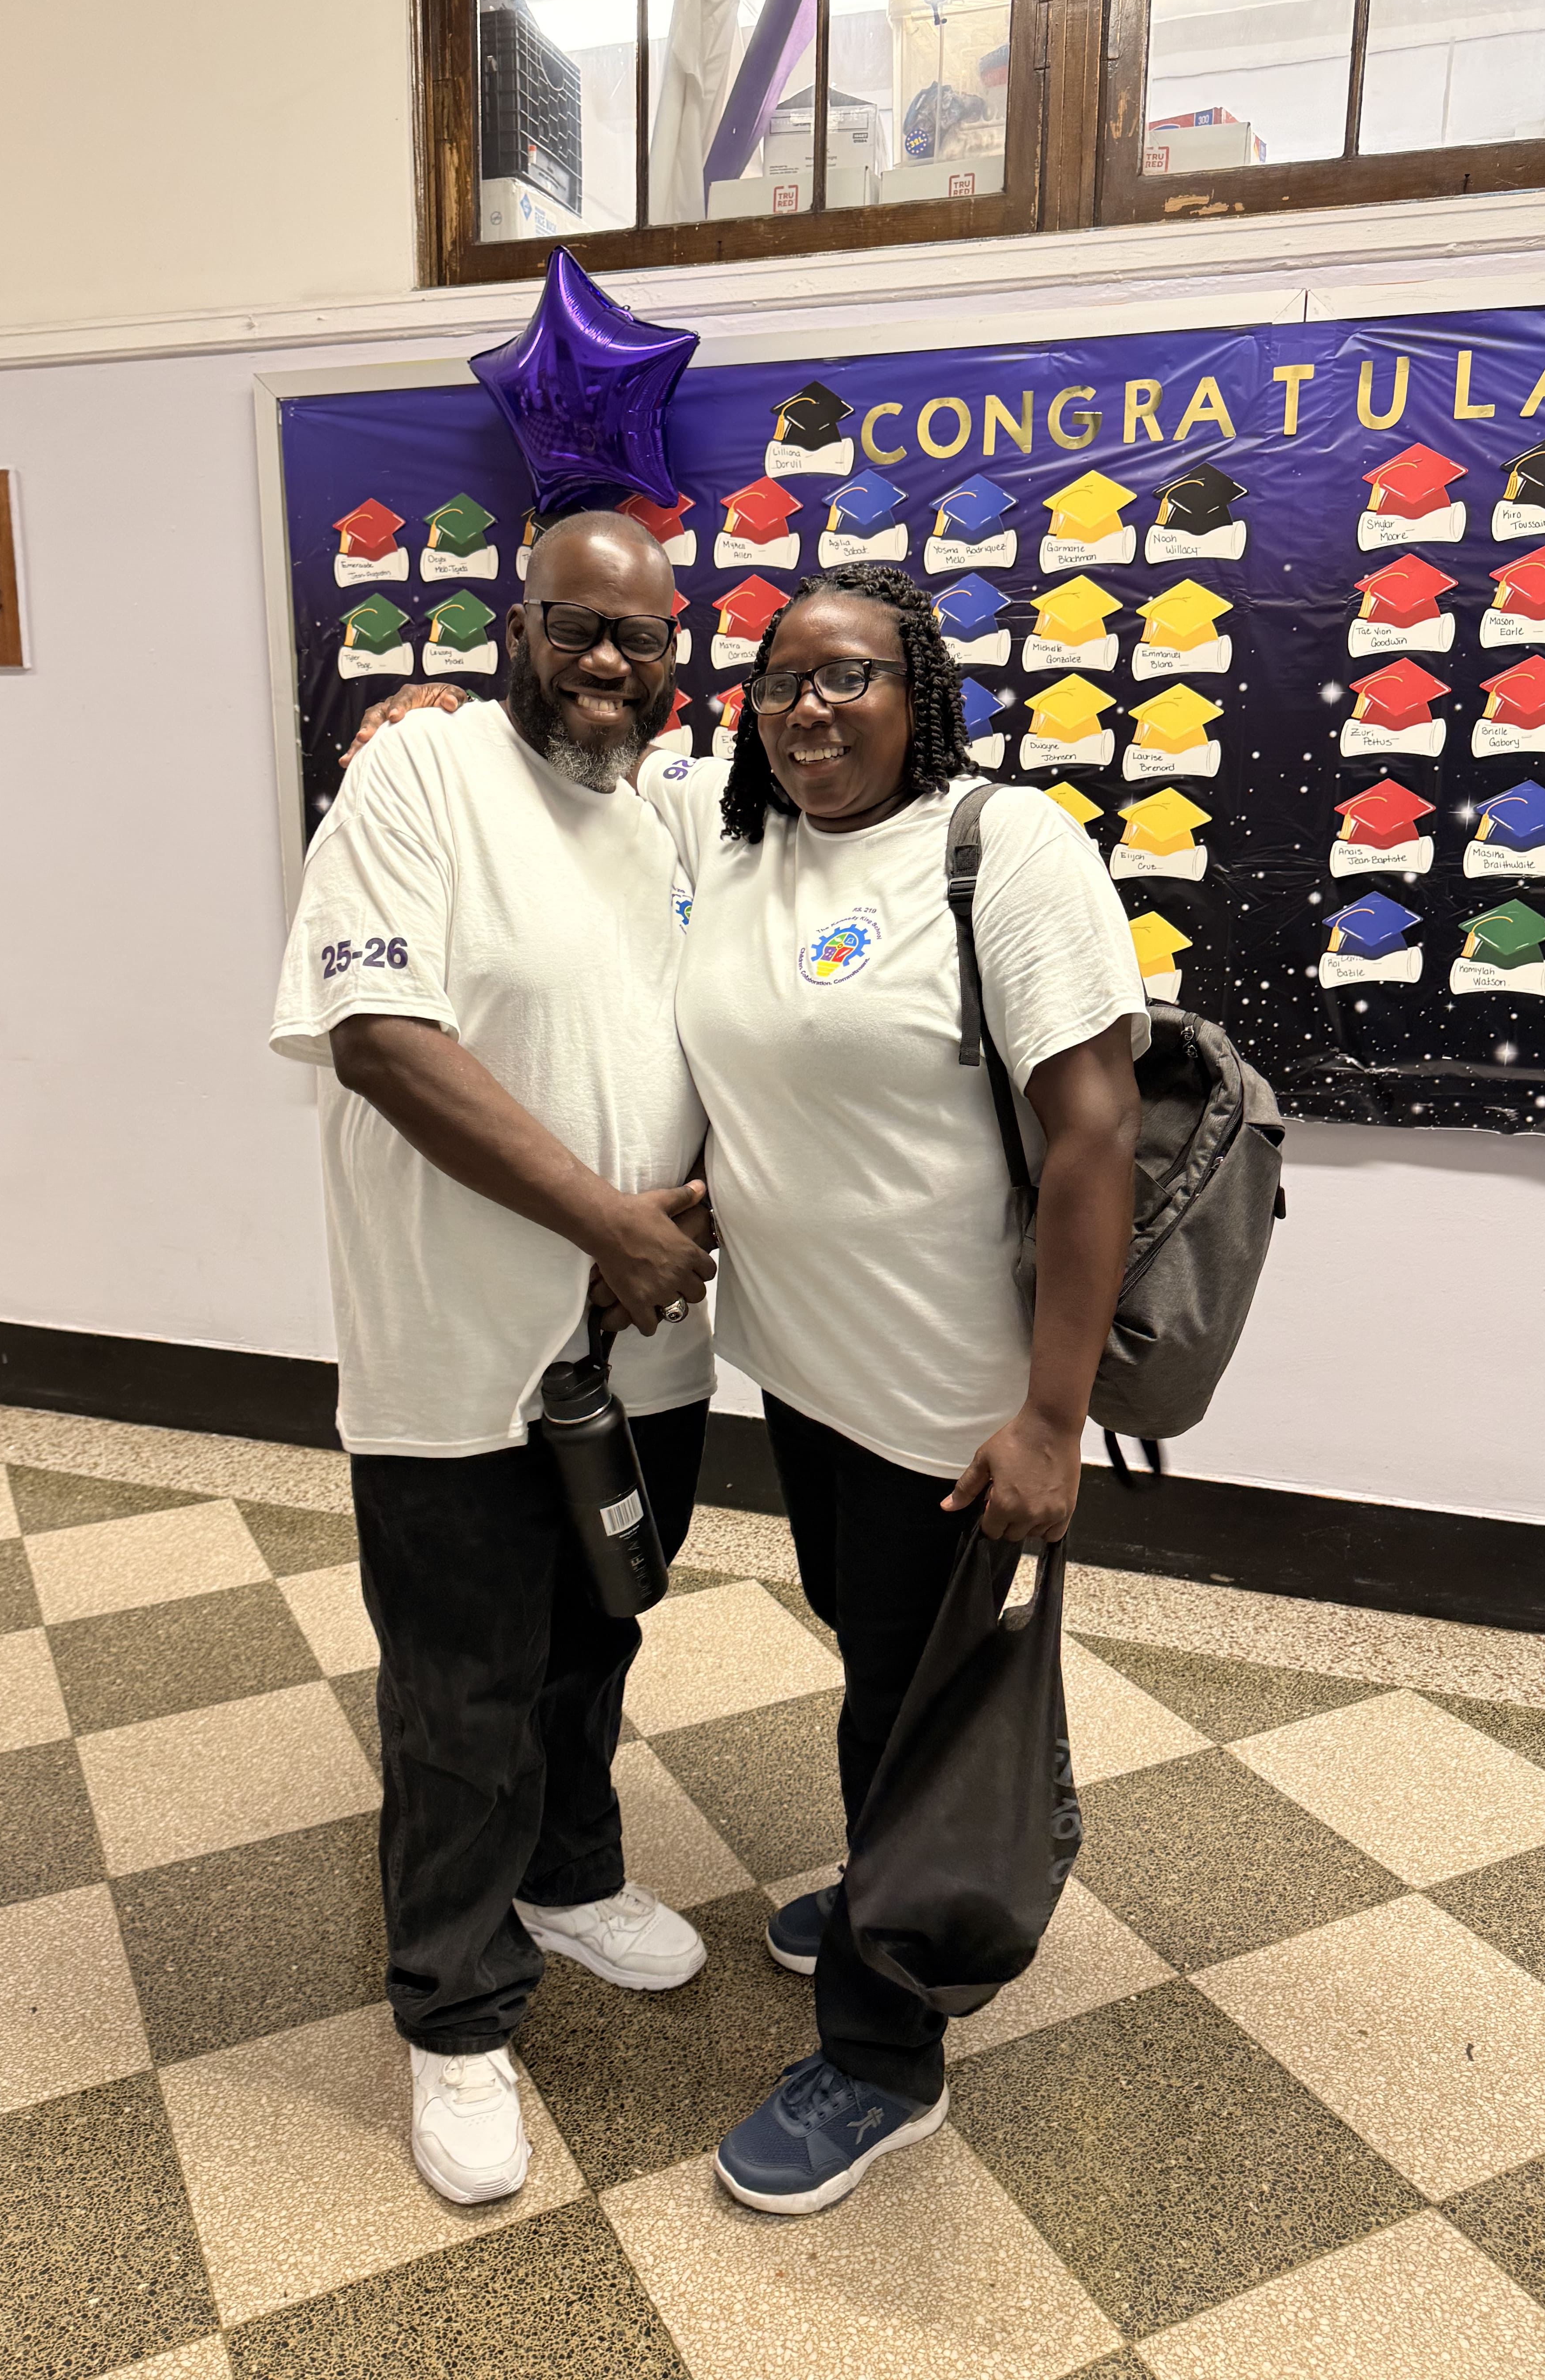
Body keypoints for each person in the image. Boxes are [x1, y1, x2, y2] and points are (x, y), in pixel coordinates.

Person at [341, 559, 1146, 2217]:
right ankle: (825, 1910)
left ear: (917, 692)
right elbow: (514, 809)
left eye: (852, 675)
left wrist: (1054, 1420)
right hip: (798, 1383)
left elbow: (1092, 1137)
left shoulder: (1007, 852)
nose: (812, 705)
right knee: (851, 1672)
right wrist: (429, 724)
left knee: (925, 1715)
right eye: (782, 676)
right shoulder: (731, 825)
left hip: (951, 1394)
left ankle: (882, 2049)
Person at [270, 511, 722, 2210]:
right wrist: (609, 1221)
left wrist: (671, 1235)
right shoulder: (420, 780)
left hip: (645, 1355)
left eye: (643, 639)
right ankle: (454, 2018)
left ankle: (571, 1872)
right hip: (455, 1357)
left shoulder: (681, 809)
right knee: (458, 1694)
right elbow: (381, 1042)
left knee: (595, 1638)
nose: (608, 663)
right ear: (514, 628)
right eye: (575, 629)